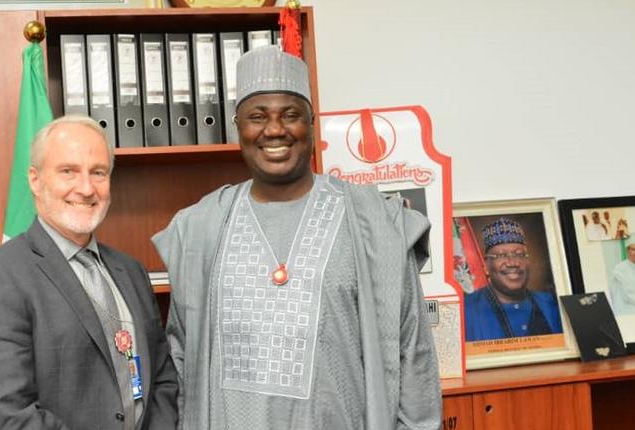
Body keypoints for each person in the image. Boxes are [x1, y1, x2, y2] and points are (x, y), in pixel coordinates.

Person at [152, 46, 441, 430]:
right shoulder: (199, 227)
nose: (274, 130)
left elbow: (414, 352)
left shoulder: (374, 221)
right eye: (258, 116)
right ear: (238, 125)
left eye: (290, 114)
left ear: (312, 122)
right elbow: (180, 355)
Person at [0, 115, 178, 429]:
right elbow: (10, 417)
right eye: (68, 171)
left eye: (98, 172)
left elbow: (163, 379)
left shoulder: (131, 272)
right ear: (35, 179)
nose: (86, 188)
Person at [464, 218, 563, 341]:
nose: (513, 263)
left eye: (519, 254)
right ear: (486, 266)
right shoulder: (465, 310)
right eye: (501, 255)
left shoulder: (552, 303)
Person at [610, 240, 635, 315]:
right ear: (628, 251)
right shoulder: (619, 270)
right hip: (628, 312)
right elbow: (627, 295)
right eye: (634, 249)